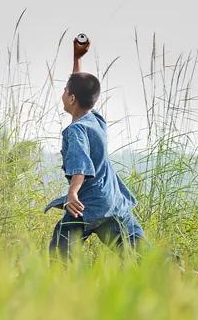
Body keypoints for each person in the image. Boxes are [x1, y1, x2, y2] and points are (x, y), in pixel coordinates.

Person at [46, 36, 143, 258]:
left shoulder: (75, 131)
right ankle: (180, 273)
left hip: (86, 203)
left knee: (62, 243)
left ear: (71, 98)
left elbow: (80, 165)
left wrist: (72, 192)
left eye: (64, 90)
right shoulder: (95, 119)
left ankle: (59, 285)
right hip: (113, 199)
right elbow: (79, 87)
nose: (62, 93)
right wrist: (77, 58)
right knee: (136, 249)